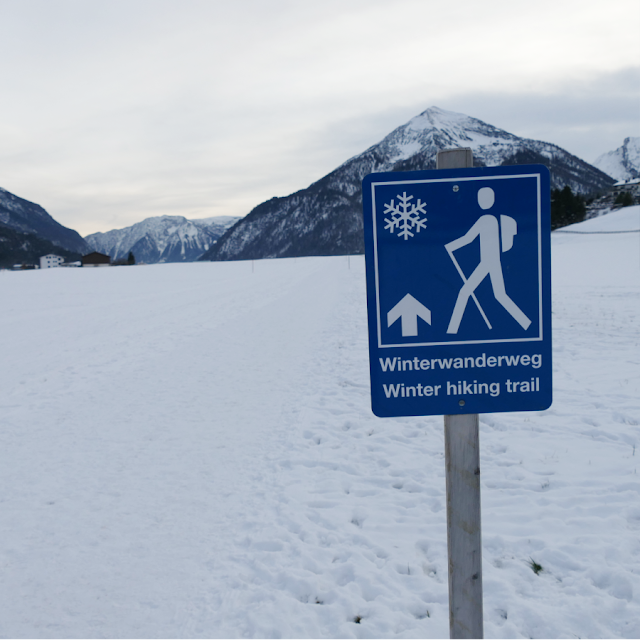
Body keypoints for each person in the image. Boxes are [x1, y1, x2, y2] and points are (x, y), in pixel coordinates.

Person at [446, 187, 531, 334]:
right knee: (500, 295)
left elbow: (468, 238)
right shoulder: (492, 219)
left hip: (488, 262)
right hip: (491, 261)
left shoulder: (486, 219)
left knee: (464, 292)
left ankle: (451, 331)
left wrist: (451, 246)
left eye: (483, 199)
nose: (481, 202)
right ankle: (525, 322)